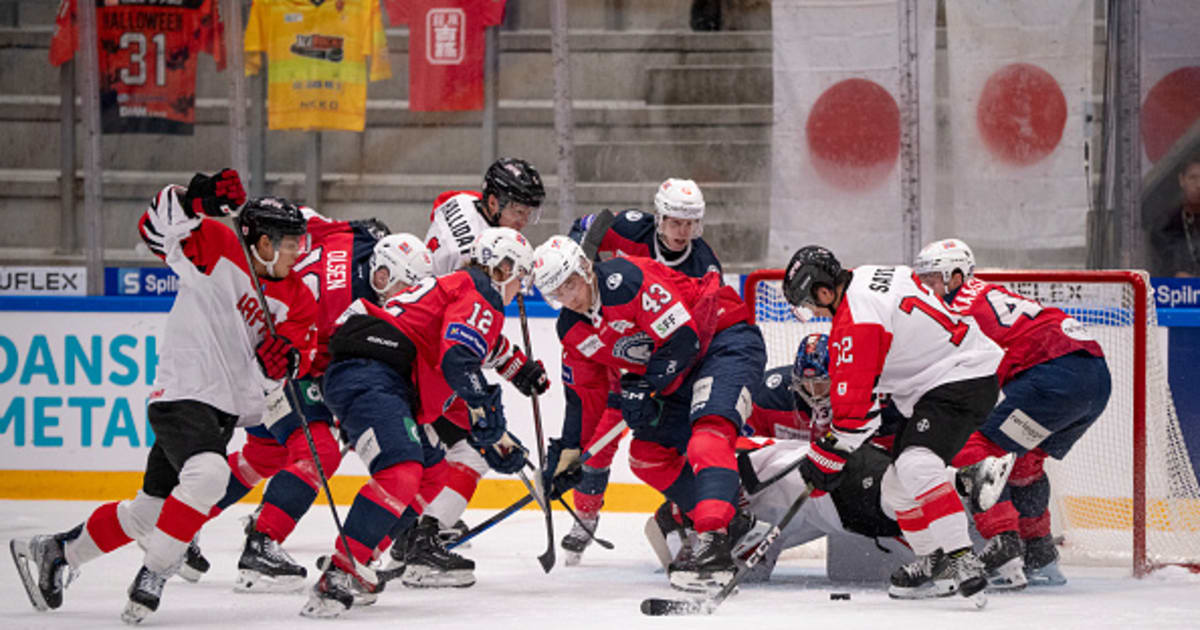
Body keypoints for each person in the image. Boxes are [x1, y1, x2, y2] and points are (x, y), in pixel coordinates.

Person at [10, 171, 318, 624]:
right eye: (290, 242)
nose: (298, 251)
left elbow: (297, 357)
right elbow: (155, 227)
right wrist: (197, 198)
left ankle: (57, 551)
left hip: (224, 412)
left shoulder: (298, 298)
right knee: (210, 475)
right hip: (182, 391)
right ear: (264, 242)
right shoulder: (217, 244)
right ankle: (155, 572)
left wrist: (284, 363)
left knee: (152, 512)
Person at [302, 227, 534, 618]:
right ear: (504, 268)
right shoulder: (481, 291)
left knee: (432, 471)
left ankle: (363, 558)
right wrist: (488, 408)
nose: (520, 293)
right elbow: (459, 360)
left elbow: (450, 384)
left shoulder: (454, 293)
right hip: (372, 370)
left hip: (378, 373)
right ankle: (339, 573)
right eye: (520, 281)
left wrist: (494, 438)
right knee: (401, 470)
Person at [202, 215, 430, 595]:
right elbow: (329, 360)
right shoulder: (355, 307)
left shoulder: (354, 236)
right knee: (318, 450)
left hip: (261, 345)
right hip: (277, 360)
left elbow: (303, 219)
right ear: (384, 273)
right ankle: (261, 541)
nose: (405, 296)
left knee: (264, 454)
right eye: (404, 286)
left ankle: (180, 521)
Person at [532, 235, 765, 592]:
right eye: (556, 294)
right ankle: (732, 522)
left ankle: (713, 540)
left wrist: (648, 384)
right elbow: (585, 399)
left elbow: (684, 337)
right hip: (676, 374)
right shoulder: (573, 329)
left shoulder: (625, 281)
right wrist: (568, 455)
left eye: (570, 285)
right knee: (646, 455)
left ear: (584, 269)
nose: (568, 298)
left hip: (722, 340)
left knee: (709, 432)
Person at [782, 245, 1003, 607]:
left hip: (958, 379)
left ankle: (963, 560)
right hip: (951, 376)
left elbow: (857, 420)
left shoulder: (856, 322)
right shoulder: (869, 272)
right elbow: (865, 411)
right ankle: (935, 561)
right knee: (896, 490)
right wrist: (833, 451)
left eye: (811, 304)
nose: (814, 311)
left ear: (824, 291)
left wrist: (826, 456)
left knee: (917, 465)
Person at [914, 238, 1111, 589]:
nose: (924, 287)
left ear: (956, 276)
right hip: (1092, 379)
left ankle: (1003, 543)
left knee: (971, 448)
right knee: (1024, 461)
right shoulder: (985, 292)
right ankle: (1041, 557)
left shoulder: (954, 311)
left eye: (931, 279)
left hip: (1053, 378)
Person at [558, 177, 722, 563]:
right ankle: (585, 516)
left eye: (691, 224)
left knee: (670, 447)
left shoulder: (705, 263)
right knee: (597, 446)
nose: (683, 233)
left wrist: (661, 381)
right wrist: (584, 263)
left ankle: (688, 515)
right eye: (675, 222)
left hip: (667, 370)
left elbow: (697, 329)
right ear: (658, 216)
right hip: (617, 354)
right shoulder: (629, 227)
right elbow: (577, 237)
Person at [409, 158, 549, 585]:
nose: (524, 222)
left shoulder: (462, 205)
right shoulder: (472, 259)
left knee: (430, 454)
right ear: (492, 201)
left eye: (530, 213)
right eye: (517, 211)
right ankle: (419, 540)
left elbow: (444, 202)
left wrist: (514, 365)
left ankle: (417, 531)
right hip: (423, 359)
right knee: (475, 447)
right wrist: (508, 367)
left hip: (413, 343)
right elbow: (463, 346)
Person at [1150, 155, 1200, 277]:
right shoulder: (1166, 224)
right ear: (1182, 180)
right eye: (1193, 178)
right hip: (1176, 290)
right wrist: (1176, 271)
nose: (1199, 185)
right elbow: (1166, 257)